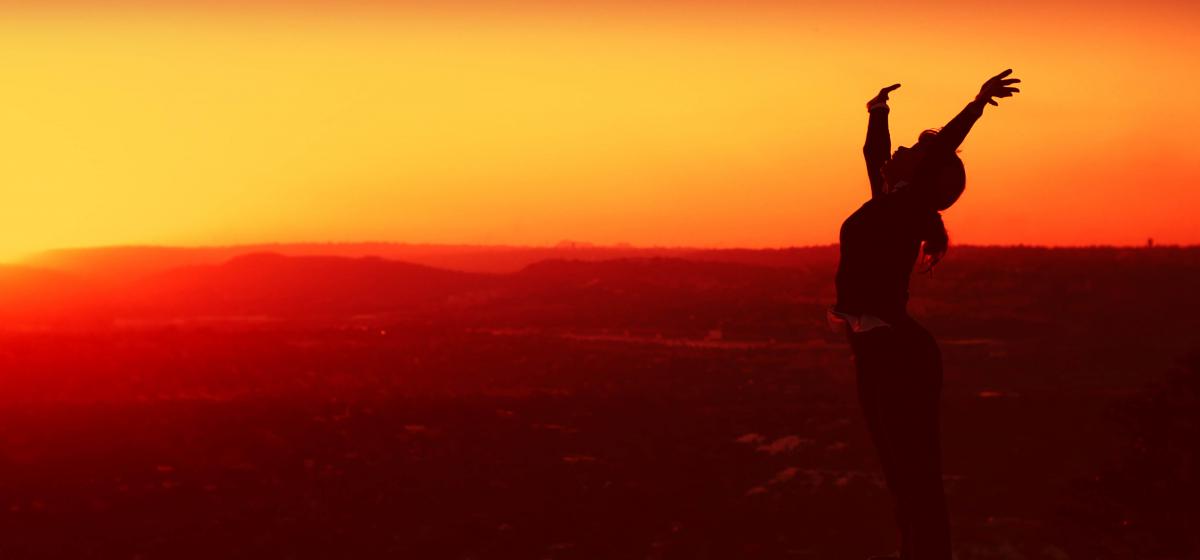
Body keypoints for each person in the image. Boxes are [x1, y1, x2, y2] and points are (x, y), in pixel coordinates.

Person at [830, 70, 1020, 559]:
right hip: (872, 348)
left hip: (897, 352)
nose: (900, 153)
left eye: (910, 153)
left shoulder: (908, 206)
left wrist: (977, 103)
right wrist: (877, 112)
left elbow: (938, 152)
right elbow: (876, 156)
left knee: (915, 475)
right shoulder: (889, 200)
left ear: (922, 176)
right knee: (899, 475)